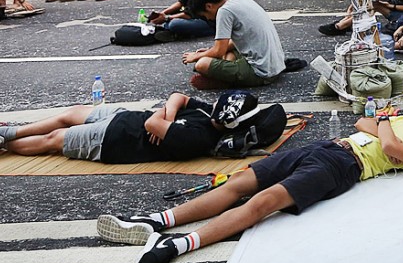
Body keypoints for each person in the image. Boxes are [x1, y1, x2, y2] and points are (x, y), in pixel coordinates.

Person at [104, 100, 403, 263]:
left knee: (264, 202)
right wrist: (383, 123)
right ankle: (156, 220)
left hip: (344, 166)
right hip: (325, 147)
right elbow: (360, 121)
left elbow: (393, 149)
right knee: (239, 182)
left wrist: (382, 122)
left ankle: (176, 245)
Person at [0, 91, 249, 163]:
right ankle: (12, 131)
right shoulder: (207, 113)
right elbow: (178, 97)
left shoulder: (199, 137)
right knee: (72, 113)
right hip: (126, 118)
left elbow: (153, 123)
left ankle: (7, 143)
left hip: (115, 140)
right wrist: (169, 115)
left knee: (54, 139)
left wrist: (162, 117)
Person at [182, 0, 285, 89]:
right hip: (276, 66)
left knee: (201, 64)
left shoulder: (224, 11)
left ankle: (226, 82)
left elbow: (219, 51)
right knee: (228, 52)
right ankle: (228, 76)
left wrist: (195, 56)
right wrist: (209, 52)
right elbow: (227, 45)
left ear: (209, 6)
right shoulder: (242, 0)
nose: (208, 19)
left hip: (261, 73)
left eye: (204, 16)